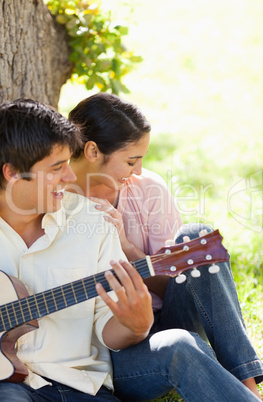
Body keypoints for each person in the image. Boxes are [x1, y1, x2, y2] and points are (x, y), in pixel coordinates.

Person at [69, 92, 263, 401]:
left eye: (141, 160)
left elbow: (172, 285)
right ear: (93, 151)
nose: (137, 171)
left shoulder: (147, 188)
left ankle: (247, 384)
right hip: (117, 352)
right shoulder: (55, 205)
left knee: (195, 237)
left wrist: (124, 247)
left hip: (169, 316)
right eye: (131, 160)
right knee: (177, 346)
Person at [0, 99, 154, 401]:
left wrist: (136, 326)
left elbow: (104, 328)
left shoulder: (93, 222)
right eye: (58, 167)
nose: (70, 177)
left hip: (80, 388)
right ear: (13, 172)